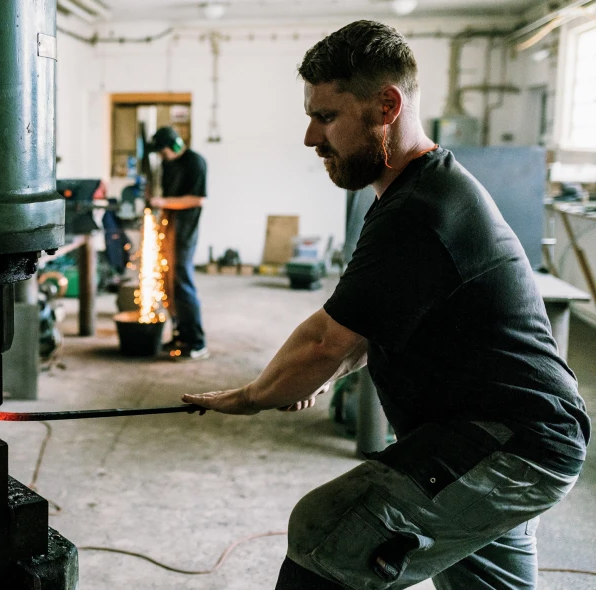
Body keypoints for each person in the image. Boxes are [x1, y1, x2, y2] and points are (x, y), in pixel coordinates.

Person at [182, 20, 590, 589]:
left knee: (324, 532)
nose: (310, 138)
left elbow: (327, 339)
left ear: (387, 105)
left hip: (510, 442)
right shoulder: (416, 192)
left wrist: (249, 397)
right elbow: (366, 331)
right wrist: (321, 373)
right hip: (508, 436)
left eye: (326, 117)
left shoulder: (421, 209)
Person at [149, 126, 209, 360]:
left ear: (173, 145)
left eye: (164, 151)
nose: (162, 156)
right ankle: (180, 335)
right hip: (167, 228)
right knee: (167, 284)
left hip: (185, 232)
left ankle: (197, 341)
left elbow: (197, 199)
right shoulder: (166, 163)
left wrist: (162, 201)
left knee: (182, 282)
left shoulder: (195, 162)